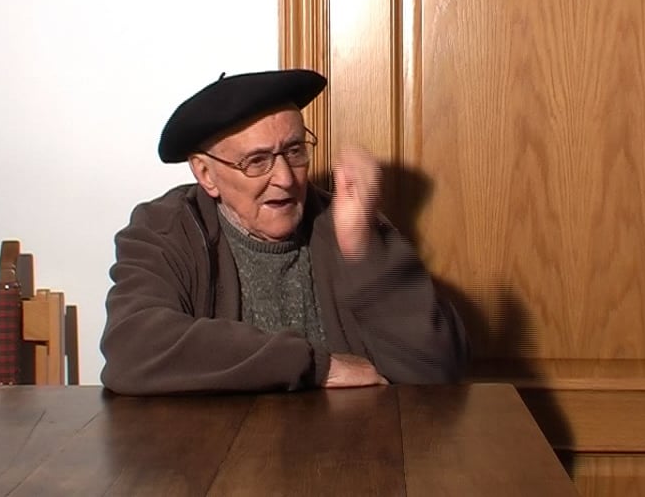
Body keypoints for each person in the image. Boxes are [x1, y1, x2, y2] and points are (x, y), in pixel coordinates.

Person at [100, 69, 469, 395]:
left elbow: (438, 368)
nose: (286, 179)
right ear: (206, 174)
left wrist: (363, 253)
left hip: (350, 446)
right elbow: (132, 348)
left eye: (294, 151)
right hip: (217, 447)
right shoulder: (166, 230)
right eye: (257, 161)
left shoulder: (347, 221)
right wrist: (316, 366)